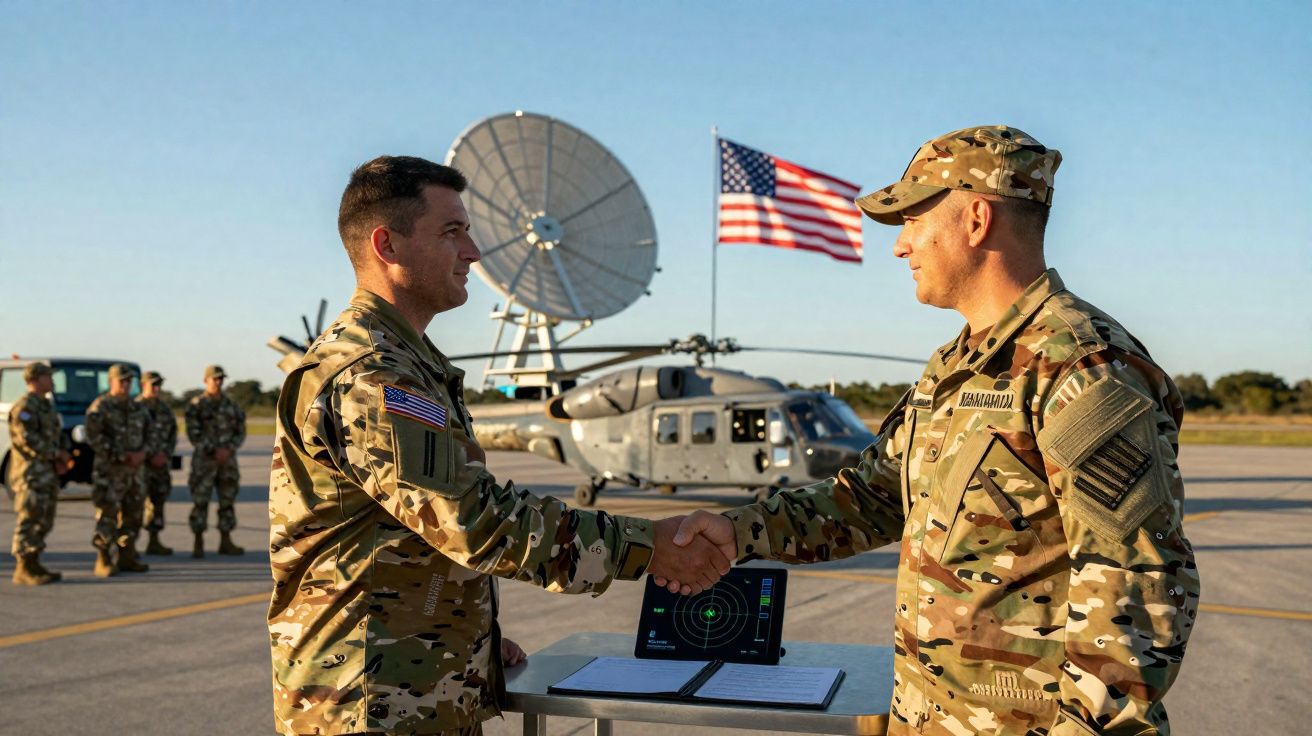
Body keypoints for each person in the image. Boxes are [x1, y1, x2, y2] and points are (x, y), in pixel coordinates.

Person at [668, 126, 1201, 735]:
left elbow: (1136, 578)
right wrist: (738, 532)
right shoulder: (952, 367)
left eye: (913, 219)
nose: (900, 246)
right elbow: (871, 498)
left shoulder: (1081, 367)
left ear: (975, 220)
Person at [267, 155, 732, 736]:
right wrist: (648, 545)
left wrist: (467, 632)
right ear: (387, 245)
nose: (474, 252)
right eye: (452, 231)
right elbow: (474, 522)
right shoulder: (371, 374)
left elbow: (410, 534)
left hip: (414, 685)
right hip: (368, 703)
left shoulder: (411, 365)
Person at [7, 362, 71, 585]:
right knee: (29, 518)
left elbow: (58, 434)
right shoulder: (25, 408)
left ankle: (34, 562)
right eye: (47, 376)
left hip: (48, 474)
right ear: (34, 379)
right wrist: (56, 454)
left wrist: (64, 454)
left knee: (44, 520)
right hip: (31, 476)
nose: (52, 380)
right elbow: (27, 440)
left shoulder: (46, 406)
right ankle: (22, 567)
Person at [85, 362, 150, 576]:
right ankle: (103, 558)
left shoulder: (138, 407)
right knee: (107, 514)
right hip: (110, 472)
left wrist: (143, 453)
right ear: (111, 382)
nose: (125, 385)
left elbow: (149, 435)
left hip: (135, 473)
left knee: (134, 514)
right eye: (121, 381)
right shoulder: (100, 407)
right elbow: (94, 438)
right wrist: (121, 456)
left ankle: (127, 555)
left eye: (128, 381)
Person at [185, 364, 246, 557]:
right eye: (215, 379)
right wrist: (213, 450)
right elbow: (193, 433)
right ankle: (198, 541)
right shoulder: (196, 405)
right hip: (204, 462)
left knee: (227, 501)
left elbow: (240, 430)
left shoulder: (231, 405)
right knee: (200, 501)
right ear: (206, 381)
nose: (218, 382)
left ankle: (226, 540)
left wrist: (229, 449)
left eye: (221, 379)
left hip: (227, 462)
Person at [137, 370, 178, 555]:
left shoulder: (165, 409)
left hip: (161, 464)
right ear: (143, 385)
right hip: (140, 465)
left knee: (158, 501)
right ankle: (128, 545)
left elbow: (172, 435)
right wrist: (148, 455)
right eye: (153, 384)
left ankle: (154, 541)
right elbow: (131, 437)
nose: (156, 388)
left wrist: (165, 455)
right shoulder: (135, 408)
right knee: (135, 504)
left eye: (159, 384)